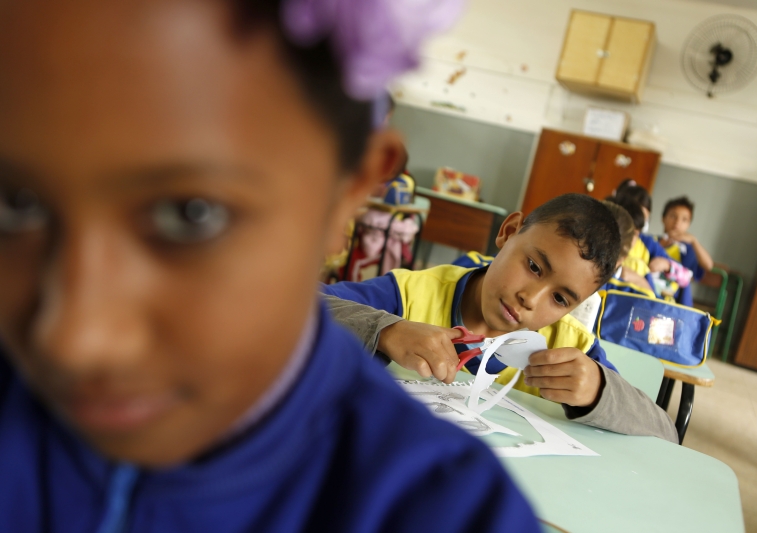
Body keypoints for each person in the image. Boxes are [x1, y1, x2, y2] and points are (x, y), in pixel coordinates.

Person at [0, 1, 541, 532]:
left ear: (350, 191)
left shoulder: (444, 511)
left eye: (191, 215)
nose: (75, 339)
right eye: (13, 203)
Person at [325, 195, 678, 443]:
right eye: (534, 267)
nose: (530, 299)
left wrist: (598, 389)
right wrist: (388, 330)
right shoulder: (411, 295)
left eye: (559, 299)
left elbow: (665, 431)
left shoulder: (571, 347)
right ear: (508, 232)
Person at [658, 196, 714, 306]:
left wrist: (694, 241)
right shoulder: (654, 242)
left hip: (676, 299)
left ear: (689, 224)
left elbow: (709, 265)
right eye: (673, 216)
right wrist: (661, 245)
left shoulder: (689, 249)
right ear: (663, 218)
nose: (677, 222)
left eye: (684, 219)